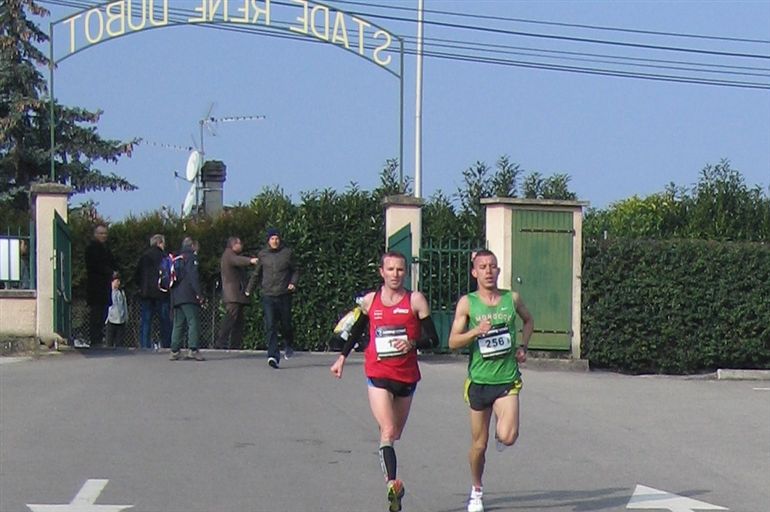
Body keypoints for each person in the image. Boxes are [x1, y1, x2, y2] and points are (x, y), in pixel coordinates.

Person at [330, 251, 439, 512]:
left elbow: (434, 339)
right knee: (388, 431)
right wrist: (341, 358)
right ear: (381, 272)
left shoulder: (416, 301)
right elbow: (357, 330)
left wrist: (412, 343)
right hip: (378, 372)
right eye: (390, 269)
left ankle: (390, 468)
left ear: (406, 273)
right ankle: (392, 485)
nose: (395, 274)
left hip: (406, 376)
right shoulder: (371, 300)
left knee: (395, 433)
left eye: (400, 270)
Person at [448, 249, 534, 512]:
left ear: (498, 271)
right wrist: (476, 331)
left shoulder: (512, 298)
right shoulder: (468, 303)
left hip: (507, 379)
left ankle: (502, 430)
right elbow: (452, 342)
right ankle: (476, 488)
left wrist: (523, 346)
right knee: (479, 445)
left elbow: (529, 320)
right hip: (479, 382)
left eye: (492, 266)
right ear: (474, 272)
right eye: (483, 266)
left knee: (508, 437)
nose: (488, 271)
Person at [246, 227, 299, 368]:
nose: (275, 241)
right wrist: (248, 290)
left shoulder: (287, 253)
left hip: (284, 294)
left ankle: (288, 344)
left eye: (277, 239)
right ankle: (273, 356)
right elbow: (257, 274)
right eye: (272, 239)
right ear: (268, 241)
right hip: (268, 295)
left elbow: (296, 270)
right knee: (270, 325)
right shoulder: (263, 255)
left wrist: (293, 283)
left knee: (286, 324)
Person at [215, 237, 258, 350]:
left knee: (238, 321)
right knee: (230, 319)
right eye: (240, 243)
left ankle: (235, 344)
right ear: (234, 244)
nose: (242, 245)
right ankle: (221, 342)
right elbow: (237, 260)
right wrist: (251, 260)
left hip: (236, 294)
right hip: (233, 294)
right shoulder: (229, 255)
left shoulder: (229, 255)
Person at [169, 237, 205, 361]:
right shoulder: (191, 258)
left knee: (178, 323)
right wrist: (199, 294)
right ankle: (193, 349)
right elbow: (193, 277)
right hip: (188, 295)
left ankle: (174, 350)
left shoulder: (177, 258)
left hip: (176, 295)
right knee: (193, 321)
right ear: (193, 246)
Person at [134, 234, 171, 350]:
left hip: (146, 293)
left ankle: (145, 345)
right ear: (160, 243)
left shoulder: (144, 256)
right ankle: (166, 345)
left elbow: (137, 275)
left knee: (146, 321)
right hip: (161, 293)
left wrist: (141, 287)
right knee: (164, 321)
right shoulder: (164, 257)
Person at [85, 224, 116, 347]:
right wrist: (109, 271)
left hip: (104, 286)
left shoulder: (106, 249)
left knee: (103, 313)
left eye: (105, 234)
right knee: (96, 314)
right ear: (95, 234)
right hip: (95, 286)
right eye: (101, 233)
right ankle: (95, 339)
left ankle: (98, 337)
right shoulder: (91, 249)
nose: (104, 236)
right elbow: (94, 266)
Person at [105, 271, 127, 348]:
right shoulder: (109, 292)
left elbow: (125, 306)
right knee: (109, 343)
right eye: (116, 281)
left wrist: (125, 318)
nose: (118, 283)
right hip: (111, 321)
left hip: (120, 321)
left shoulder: (121, 292)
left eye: (119, 281)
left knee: (120, 344)